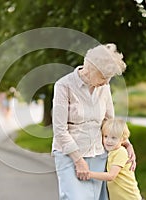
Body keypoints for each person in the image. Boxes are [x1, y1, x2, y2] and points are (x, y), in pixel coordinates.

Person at [52, 43, 136, 200]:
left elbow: (110, 121)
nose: (106, 82)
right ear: (90, 69)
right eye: (104, 77)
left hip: (98, 154)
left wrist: (126, 143)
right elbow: (59, 130)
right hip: (70, 155)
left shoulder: (103, 87)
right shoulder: (64, 86)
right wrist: (78, 160)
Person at [90, 118, 142, 200]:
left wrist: (89, 174)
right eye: (106, 136)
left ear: (123, 139)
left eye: (113, 138)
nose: (108, 141)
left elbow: (111, 176)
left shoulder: (120, 152)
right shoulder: (112, 151)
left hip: (129, 197)